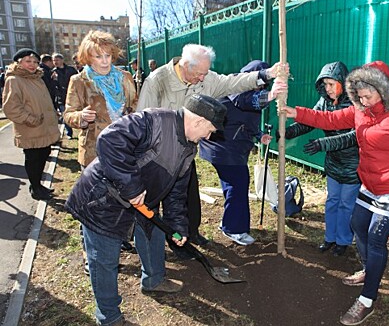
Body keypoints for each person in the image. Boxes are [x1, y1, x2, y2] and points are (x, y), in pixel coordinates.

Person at [281, 61, 389, 325]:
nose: (362, 101)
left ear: (384, 90)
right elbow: (329, 118)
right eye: (358, 96)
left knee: (376, 236)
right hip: (369, 182)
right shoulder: (360, 110)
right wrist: (297, 113)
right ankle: (369, 268)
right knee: (358, 224)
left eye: (367, 96)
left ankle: (367, 299)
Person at [65, 93, 227, 326]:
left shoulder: (189, 148)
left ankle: (153, 280)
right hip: (102, 200)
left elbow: (176, 193)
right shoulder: (154, 121)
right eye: (209, 130)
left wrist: (178, 227)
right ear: (199, 121)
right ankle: (108, 317)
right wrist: (132, 187)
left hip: (141, 202)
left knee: (154, 236)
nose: (208, 136)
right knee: (105, 260)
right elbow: (109, 141)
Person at [137, 43, 286, 251]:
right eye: (199, 73)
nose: (202, 78)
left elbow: (232, 82)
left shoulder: (206, 78)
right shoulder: (157, 81)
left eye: (205, 73)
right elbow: (144, 119)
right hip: (160, 153)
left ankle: (188, 235)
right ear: (185, 65)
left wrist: (267, 74)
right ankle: (152, 249)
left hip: (186, 150)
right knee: (155, 200)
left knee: (186, 197)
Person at [283, 61, 360, 256]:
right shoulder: (325, 101)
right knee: (332, 200)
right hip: (334, 163)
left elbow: (353, 137)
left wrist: (322, 144)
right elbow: (311, 120)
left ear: (343, 83)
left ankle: (343, 241)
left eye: (331, 84)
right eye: (325, 84)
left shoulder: (356, 104)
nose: (328, 89)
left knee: (346, 204)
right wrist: (287, 132)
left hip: (353, 166)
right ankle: (329, 238)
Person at [199, 60, 278, 245]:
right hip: (223, 147)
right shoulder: (237, 86)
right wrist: (272, 95)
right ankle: (233, 229)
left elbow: (244, 119)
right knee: (238, 184)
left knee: (232, 184)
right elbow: (244, 102)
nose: (261, 88)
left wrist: (259, 135)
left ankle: (229, 222)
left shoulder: (252, 92)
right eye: (260, 83)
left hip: (229, 145)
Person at [63, 30, 137, 169]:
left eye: (108, 55)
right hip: (94, 150)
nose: (104, 61)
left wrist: (131, 113)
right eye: (98, 56)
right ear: (88, 57)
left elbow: (135, 103)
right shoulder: (79, 80)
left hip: (124, 146)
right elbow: (68, 114)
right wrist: (81, 117)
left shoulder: (125, 77)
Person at [2, 48, 60, 200]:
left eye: (35, 62)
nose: (32, 65)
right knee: (34, 160)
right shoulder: (14, 80)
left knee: (44, 155)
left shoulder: (37, 78)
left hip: (44, 126)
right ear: (19, 62)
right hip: (30, 128)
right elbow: (11, 108)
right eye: (28, 61)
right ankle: (35, 188)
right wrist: (31, 119)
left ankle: (37, 185)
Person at [52, 53, 76, 139]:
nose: (55, 62)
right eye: (54, 60)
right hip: (61, 98)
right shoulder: (53, 72)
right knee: (65, 115)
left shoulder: (71, 69)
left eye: (57, 60)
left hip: (72, 96)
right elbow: (54, 86)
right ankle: (69, 132)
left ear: (62, 60)